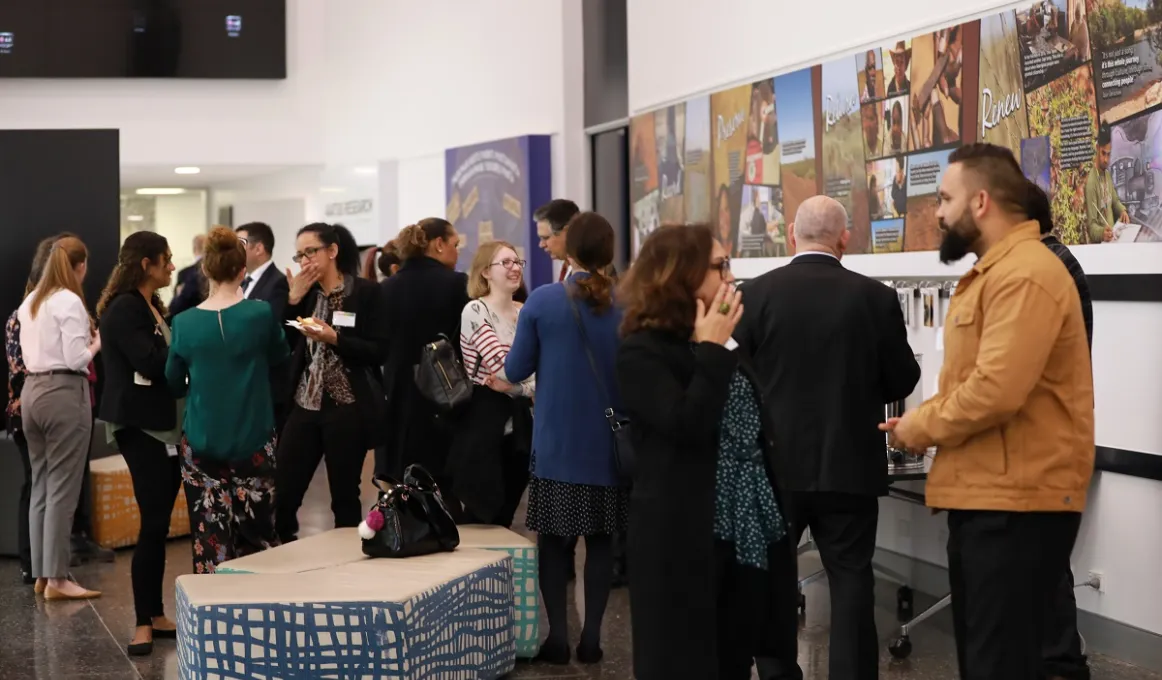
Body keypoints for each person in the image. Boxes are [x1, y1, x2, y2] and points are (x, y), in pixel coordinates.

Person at [882, 143, 1095, 679]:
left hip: (1016, 506)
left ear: (981, 202)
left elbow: (995, 390)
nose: (938, 213)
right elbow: (976, 380)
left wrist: (917, 425)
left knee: (1000, 664)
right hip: (993, 497)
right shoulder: (997, 273)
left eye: (945, 198)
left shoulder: (1025, 274)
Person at [736, 195, 920, 680]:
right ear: (845, 238)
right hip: (850, 466)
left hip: (774, 470)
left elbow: (736, 381)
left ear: (791, 235)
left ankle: (777, 672)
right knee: (852, 580)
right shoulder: (875, 298)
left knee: (772, 579)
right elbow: (902, 381)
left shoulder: (754, 295)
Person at [618, 224, 800, 680]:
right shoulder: (643, 351)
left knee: (735, 661)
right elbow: (686, 424)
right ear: (682, 274)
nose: (730, 275)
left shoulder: (728, 341)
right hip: (685, 542)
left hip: (748, 537)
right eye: (720, 265)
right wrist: (712, 349)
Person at [505, 212, 626, 666]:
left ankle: (557, 638)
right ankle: (592, 638)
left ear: (569, 250)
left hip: (556, 446)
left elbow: (516, 370)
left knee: (554, 544)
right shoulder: (627, 302)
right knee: (600, 543)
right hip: (608, 446)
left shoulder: (543, 300)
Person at [166, 227, 288, 573]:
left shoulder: (183, 323)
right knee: (259, 534)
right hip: (254, 436)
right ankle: (260, 613)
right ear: (242, 271)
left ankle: (212, 617)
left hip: (202, 440)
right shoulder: (260, 314)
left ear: (205, 270)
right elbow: (281, 353)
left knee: (209, 537)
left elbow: (173, 382)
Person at [7, 235, 112, 586]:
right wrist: (98, 341)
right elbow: (76, 358)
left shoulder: (31, 301)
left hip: (32, 394)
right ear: (79, 266)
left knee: (41, 485)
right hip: (64, 392)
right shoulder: (68, 301)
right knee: (63, 489)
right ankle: (57, 579)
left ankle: (41, 574)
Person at [276, 223, 389, 543]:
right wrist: (292, 300)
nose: (304, 261)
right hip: (304, 402)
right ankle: (283, 557)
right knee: (283, 491)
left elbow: (380, 350)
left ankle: (346, 568)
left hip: (347, 407)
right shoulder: (304, 294)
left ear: (332, 251)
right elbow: (280, 344)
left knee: (344, 495)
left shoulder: (365, 292)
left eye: (310, 251)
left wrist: (335, 338)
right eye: (300, 255)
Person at [97, 231, 181, 655]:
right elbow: (150, 361)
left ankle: (156, 612)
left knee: (159, 524)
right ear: (146, 263)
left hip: (162, 426)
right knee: (152, 524)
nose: (171, 265)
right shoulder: (125, 308)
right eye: (165, 258)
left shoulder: (149, 305)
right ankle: (143, 622)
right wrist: (186, 340)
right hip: (141, 427)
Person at [1027, 182, 1093, 680]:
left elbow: (1015, 374)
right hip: (1051, 440)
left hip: (1044, 445)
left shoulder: (1046, 272)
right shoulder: (1053, 264)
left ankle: (1061, 667)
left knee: (1044, 571)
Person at [448, 241, 534, 527]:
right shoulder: (475, 310)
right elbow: (503, 367)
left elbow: (537, 373)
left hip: (522, 424)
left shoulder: (526, 312)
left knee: (506, 515)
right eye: (505, 263)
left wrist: (522, 385)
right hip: (484, 423)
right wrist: (528, 379)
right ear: (485, 272)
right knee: (481, 514)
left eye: (517, 262)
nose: (514, 269)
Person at [378, 218, 468, 486]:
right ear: (439, 244)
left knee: (401, 480)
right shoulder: (457, 285)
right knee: (442, 482)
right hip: (446, 394)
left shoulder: (386, 289)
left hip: (397, 395)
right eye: (455, 244)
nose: (458, 250)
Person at [235, 222, 291, 433]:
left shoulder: (277, 283)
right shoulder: (241, 283)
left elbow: (271, 331)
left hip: (266, 385)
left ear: (258, 248)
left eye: (240, 243)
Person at [1084, 123, 1129, 244]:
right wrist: (1102, 233)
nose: (1106, 159)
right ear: (1097, 148)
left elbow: (1114, 201)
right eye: (1103, 153)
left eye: (1109, 154)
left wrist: (1122, 211)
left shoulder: (1107, 175)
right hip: (1101, 246)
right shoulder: (1091, 183)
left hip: (1112, 241)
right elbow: (1091, 227)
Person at [535, 199, 580, 282]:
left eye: (546, 238)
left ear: (568, 232)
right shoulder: (567, 268)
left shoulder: (590, 276)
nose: (541, 244)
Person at [169, 233, 207, 318]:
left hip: (189, 319)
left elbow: (175, 307)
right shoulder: (218, 270)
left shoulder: (184, 274)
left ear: (194, 249)